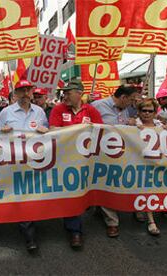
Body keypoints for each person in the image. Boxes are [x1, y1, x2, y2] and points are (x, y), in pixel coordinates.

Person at [49, 80, 103, 249]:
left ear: (80, 93)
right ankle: (75, 231)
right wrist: (79, 130)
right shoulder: (58, 109)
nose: (65, 95)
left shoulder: (91, 110)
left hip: (86, 160)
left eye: (68, 92)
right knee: (71, 192)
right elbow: (52, 130)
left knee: (82, 193)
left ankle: (77, 219)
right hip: (64, 160)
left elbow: (102, 131)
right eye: (64, 92)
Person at [0, 80, 49, 254]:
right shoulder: (5, 112)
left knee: (33, 194)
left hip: (36, 160)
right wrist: (2, 131)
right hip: (16, 161)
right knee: (23, 194)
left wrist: (45, 131)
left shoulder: (40, 112)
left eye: (28, 89)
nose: (26, 93)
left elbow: (49, 134)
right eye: (22, 90)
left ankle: (28, 223)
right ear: (16, 93)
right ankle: (29, 236)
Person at [92, 85, 140, 238]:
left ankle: (102, 207)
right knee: (108, 182)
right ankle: (112, 222)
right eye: (131, 100)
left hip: (123, 152)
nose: (132, 103)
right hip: (103, 153)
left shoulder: (126, 109)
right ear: (123, 98)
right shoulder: (98, 106)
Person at [136, 98, 167, 235]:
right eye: (144, 110)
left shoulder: (161, 125)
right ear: (139, 112)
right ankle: (151, 221)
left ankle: (141, 209)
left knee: (153, 188)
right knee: (146, 188)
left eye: (150, 111)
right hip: (139, 162)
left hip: (157, 162)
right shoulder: (133, 125)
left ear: (155, 112)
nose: (147, 113)